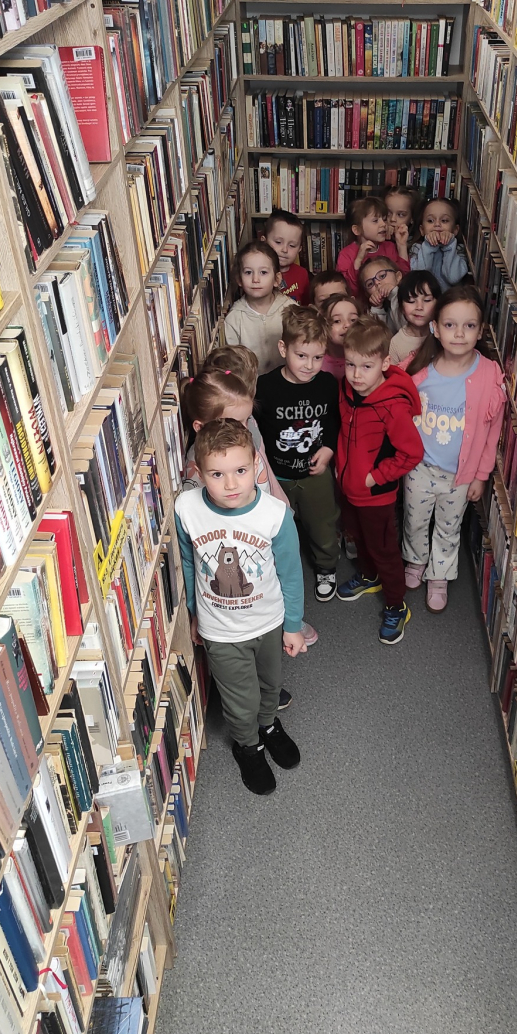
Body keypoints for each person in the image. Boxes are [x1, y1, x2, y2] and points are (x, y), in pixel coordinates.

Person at [175, 419, 305, 796]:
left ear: (256, 464)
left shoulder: (275, 514)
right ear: (199, 472)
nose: (231, 484)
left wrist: (293, 625)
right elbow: (188, 564)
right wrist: (194, 613)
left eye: (241, 471)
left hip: (269, 623)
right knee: (239, 699)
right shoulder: (186, 508)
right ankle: (248, 746)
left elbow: (291, 573)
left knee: (269, 686)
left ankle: (268, 725)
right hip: (220, 631)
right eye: (217, 474)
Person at [181, 356, 318, 690]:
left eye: (247, 420)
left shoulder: (247, 435)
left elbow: (262, 468)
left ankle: (285, 625)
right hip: (227, 609)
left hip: (264, 534)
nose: (245, 429)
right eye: (237, 422)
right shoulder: (199, 479)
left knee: (275, 577)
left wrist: (280, 506)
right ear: (201, 428)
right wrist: (196, 611)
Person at [402, 284, 506, 613]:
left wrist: (481, 475)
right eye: (450, 324)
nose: (459, 334)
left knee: (449, 528)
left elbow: (492, 430)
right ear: (435, 328)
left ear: (481, 330)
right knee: (415, 521)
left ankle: (439, 576)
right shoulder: (419, 368)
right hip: (419, 467)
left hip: (459, 476)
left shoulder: (488, 374)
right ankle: (416, 560)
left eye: (469, 325)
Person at [335, 317, 423, 645]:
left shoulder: (393, 407)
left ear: (385, 364)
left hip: (376, 496)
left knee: (384, 550)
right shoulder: (347, 390)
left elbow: (411, 453)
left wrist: (375, 477)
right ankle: (369, 577)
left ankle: (396, 605)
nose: (356, 375)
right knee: (358, 537)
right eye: (350, 364)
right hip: (347, 487)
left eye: (366, 366)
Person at [255, 308, 340, 603]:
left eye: (317, 357)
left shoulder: (327, 384)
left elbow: (334, 422)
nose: (309, 365)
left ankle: (327, 566)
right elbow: (255, 429)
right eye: (301, 356)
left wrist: (329, 449)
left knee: (323, 522)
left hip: (315, 473)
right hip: (276, 474)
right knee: (277, 527)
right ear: (283, 349)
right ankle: (276, 572)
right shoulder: (265, 386)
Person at [223, 242, 296, 374]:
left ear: (277, 279)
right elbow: (232, 364)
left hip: (288, 380)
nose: (255, 279)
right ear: (239, 279)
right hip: (251, 384)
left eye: (263, 272)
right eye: (248, 272)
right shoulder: (234, 319)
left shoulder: (291, 309)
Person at [336, 197, 409, 296]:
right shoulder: (346, 254)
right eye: (375, 220)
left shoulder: (389, 247)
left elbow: (404, 279)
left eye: (384, 219)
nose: (383, 224)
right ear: (357, 230)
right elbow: (347, 291)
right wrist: (358, 260)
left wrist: (401, 245)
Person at [410, 197, 468, 291]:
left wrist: (449, 246)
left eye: (444, 220)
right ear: (422, 230)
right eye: (430, 221)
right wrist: (429, 246)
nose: (437, 224)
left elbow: (453, 278)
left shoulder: (458, 250)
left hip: (449, 299)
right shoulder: (417, 248)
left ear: (455, 230)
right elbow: (420, 278)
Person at [389, 270, 441, 363]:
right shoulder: (396, 343)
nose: (419, 307)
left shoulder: (444, 334)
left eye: (427, 300)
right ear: (401, 307)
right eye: (411, 301)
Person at [261, 208, 310, 304]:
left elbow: (305, 306)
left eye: (292, 245)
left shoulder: (302, 274)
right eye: (278, 242)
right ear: (264, 241)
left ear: (299, 249)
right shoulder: (257, 272)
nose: (284, 250)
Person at [320, 293, 362, 379]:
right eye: (337, 321)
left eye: (353, 320)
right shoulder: (316, 362)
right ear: (324, 325)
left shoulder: (368, 358)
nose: (347, 325)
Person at [357, 257, 403, 334]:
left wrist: (394, 294)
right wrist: (377, 308)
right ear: (367, 294)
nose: (377, 283)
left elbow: (405, 327)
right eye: (370, 284)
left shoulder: (411, 299)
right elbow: (380, 337)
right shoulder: (371, 311)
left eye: (382, 276)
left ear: (398, 277)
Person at [383, 184, 418, 252]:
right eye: (388, 213)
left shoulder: (416, 247)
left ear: (412, 218)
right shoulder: (376, 236)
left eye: (401, 215)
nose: (393, 219)